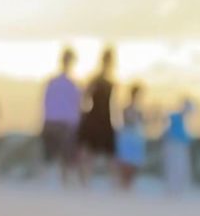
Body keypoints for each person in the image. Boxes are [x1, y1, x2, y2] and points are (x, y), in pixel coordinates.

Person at [42, 48, 81, 185]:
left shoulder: (52, 82)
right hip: (66, 124)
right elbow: (78, 105)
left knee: (49, 158)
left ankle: (47, 185)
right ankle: (66, 185)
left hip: (51, 122)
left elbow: (45, 103)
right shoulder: (73, 84)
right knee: (68, 159)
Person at [78, 47, 116, 184]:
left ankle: (115, 186)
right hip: (95, 118)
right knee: (88, 152)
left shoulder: (110, 81)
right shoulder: (97, 80)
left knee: (110, 154)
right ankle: (85, 182)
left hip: (106, 119)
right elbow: (85, 96)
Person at [116, 84, 147, 189]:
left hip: (136, 136)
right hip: (128, 136)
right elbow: (127, 121)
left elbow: (142, 122)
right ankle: (124, 184)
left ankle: (129, 185)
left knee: (134, 162)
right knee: (126, 161)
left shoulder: (139, 110)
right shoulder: (126, 108)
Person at [163, 99, 193, 194]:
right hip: (173, 145)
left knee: (181, 168)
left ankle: (179, 190)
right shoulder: (174, 117)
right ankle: (171, 189)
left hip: (181, 146)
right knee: (172, 167)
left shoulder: (186, 122)